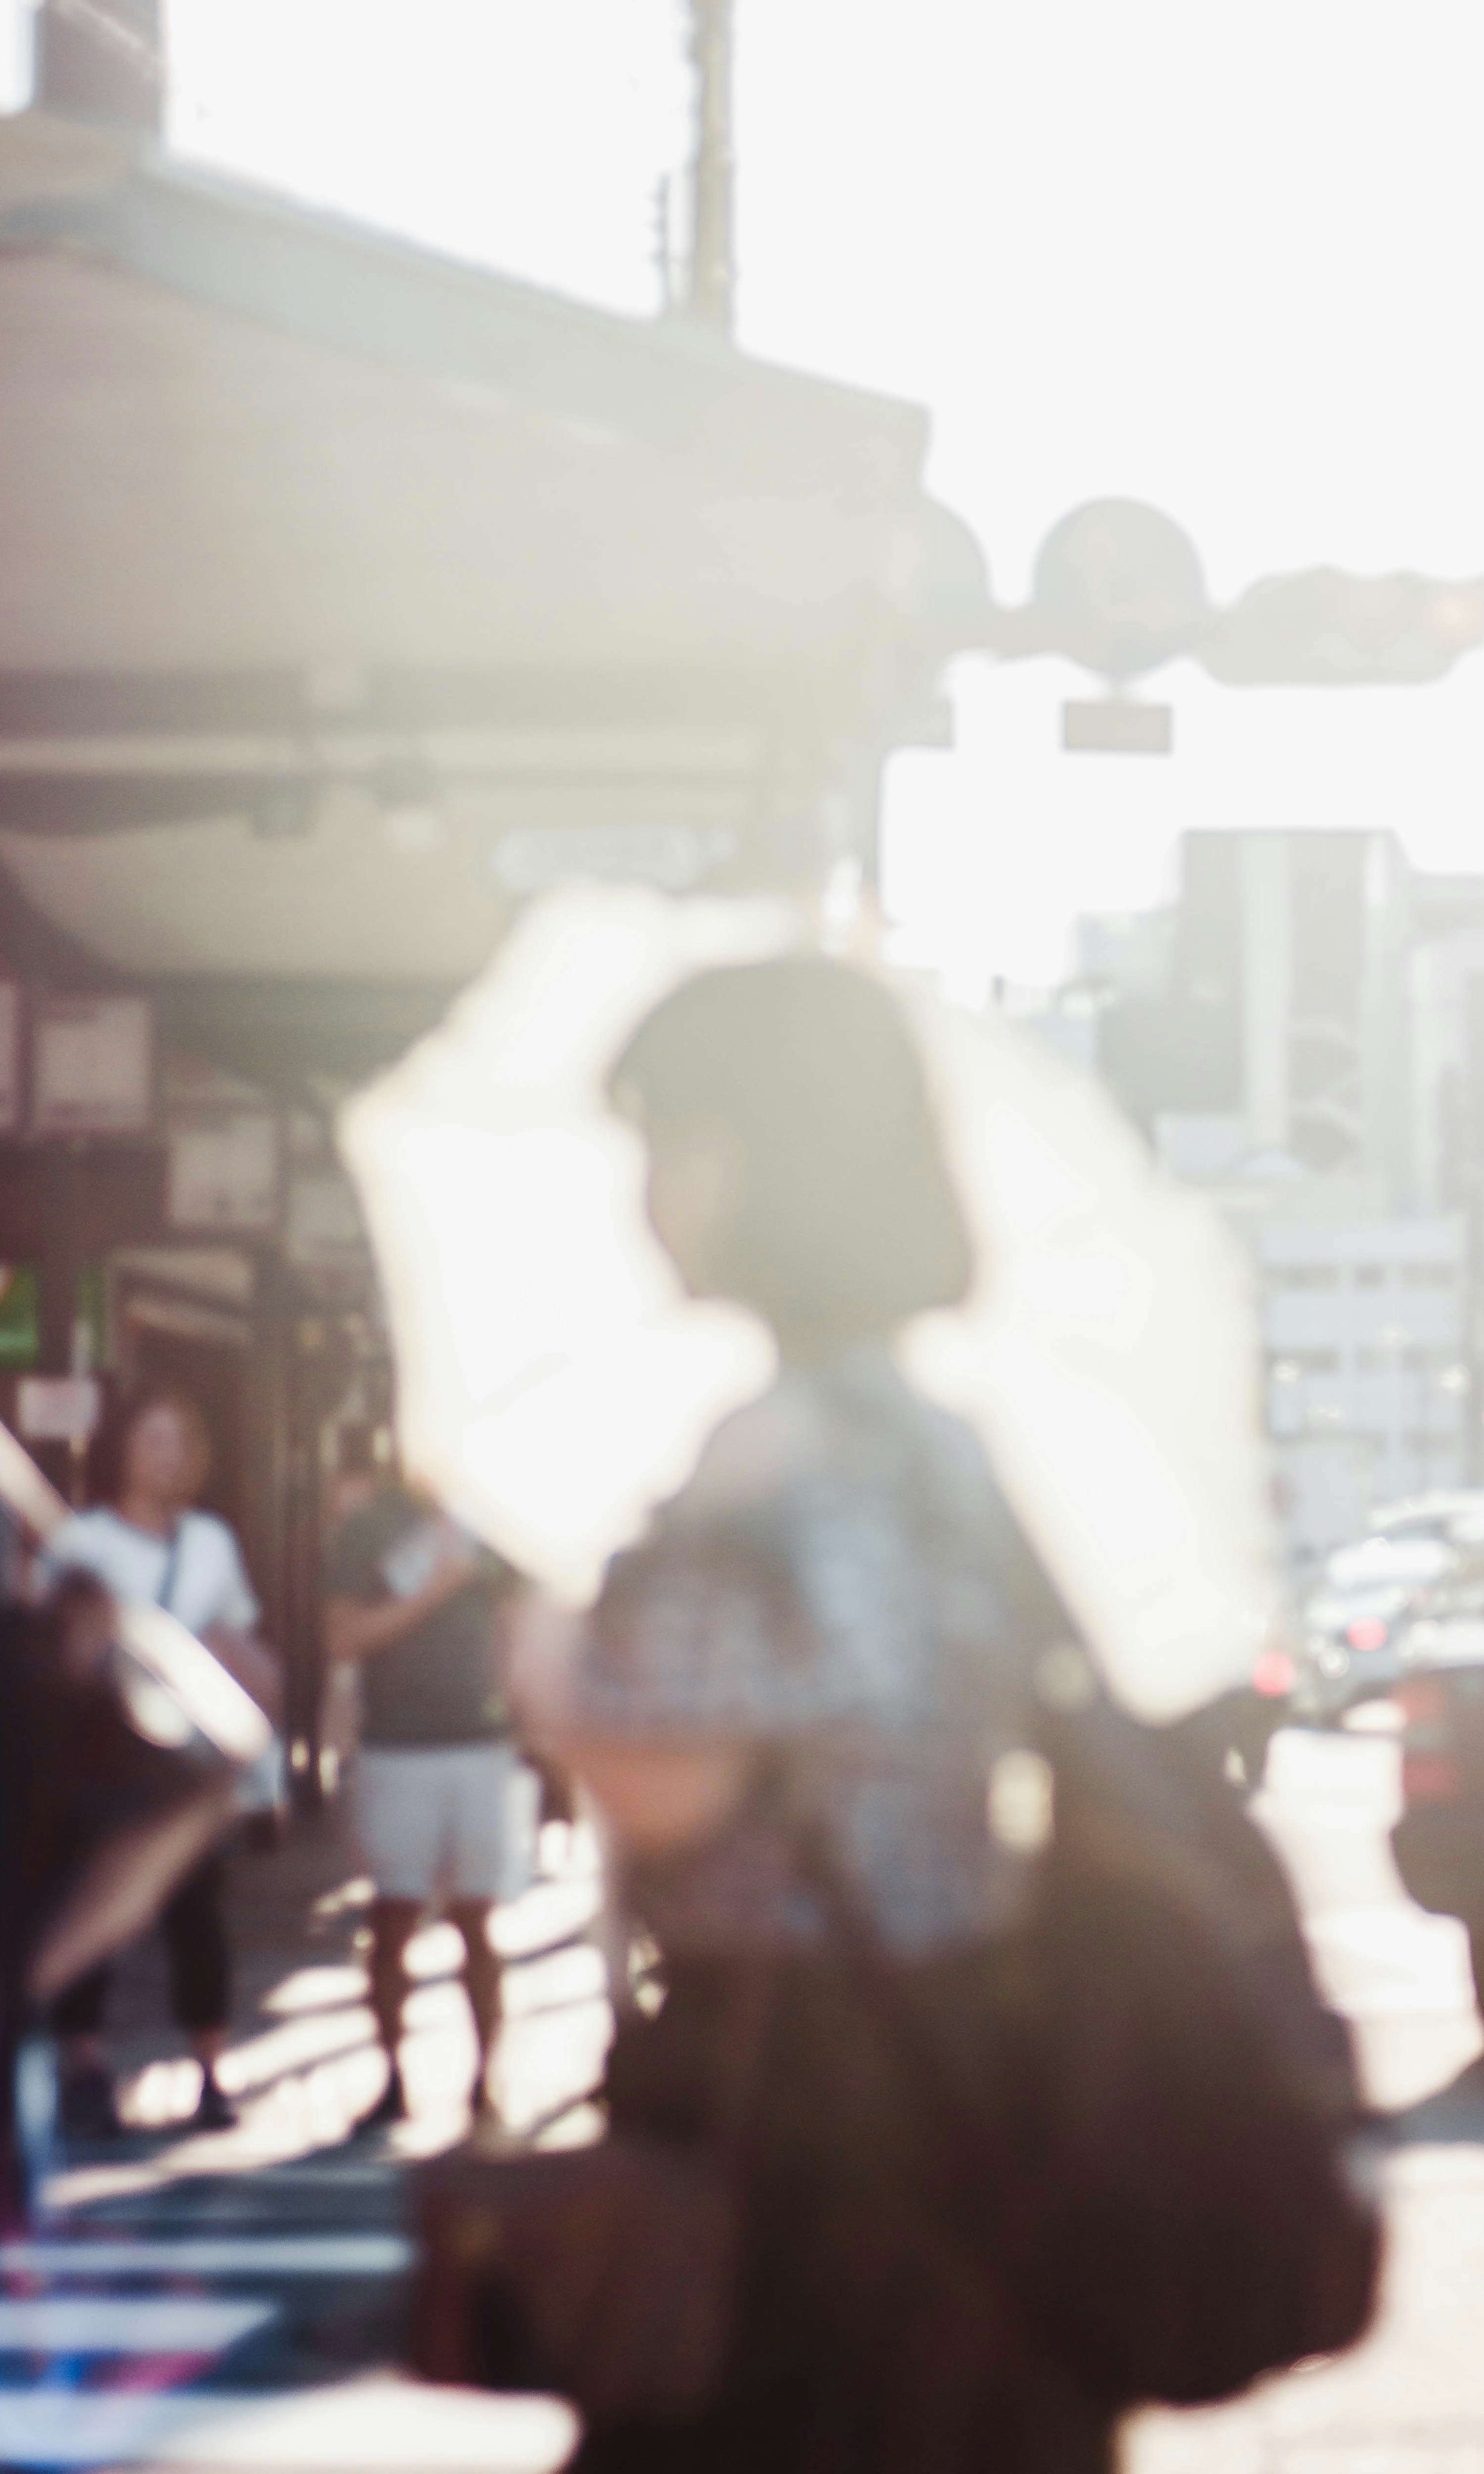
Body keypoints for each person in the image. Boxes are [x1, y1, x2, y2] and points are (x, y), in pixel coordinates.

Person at [511, 957, 1114, 2474]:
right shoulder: (932, 1435)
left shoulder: (787, 1448)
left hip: (800, 2132)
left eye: (664, 1138)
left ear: (752, 1160)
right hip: (955, 2095)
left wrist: (544, 1643)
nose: (646, 1189)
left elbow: (673, 1779)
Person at [43, 1384, 280, 2138]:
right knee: (89, 1918)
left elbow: (241, 1642)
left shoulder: (212, 1542)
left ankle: (210, 2069)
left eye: (181, 1441)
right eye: (153, 1440)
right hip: (99, 1762)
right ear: (122, 1451)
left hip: (184, 1765)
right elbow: (48, 1649)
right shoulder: (80, 1543)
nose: (168, 1456)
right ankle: (83, 2067)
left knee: (197, 1917)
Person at [324, 1476, 520, 2131]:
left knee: (478, 1922)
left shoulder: (502, 1517)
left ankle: (485, 2084)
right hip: (397, 1746)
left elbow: (522, 1623)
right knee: (392, 1920)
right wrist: (433, 1590)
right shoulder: (369, 1525)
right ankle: (391, 2080)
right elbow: (343, 1637)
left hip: (484, 1746)